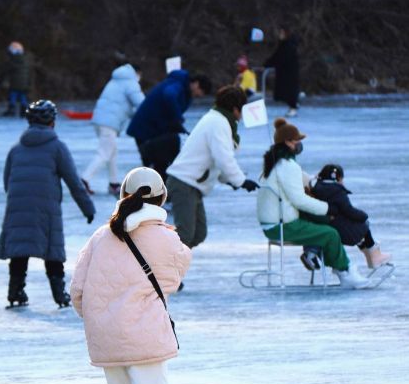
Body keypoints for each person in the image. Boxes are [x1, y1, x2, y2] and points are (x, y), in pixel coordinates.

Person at [66, 167, 191, 384]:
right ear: (161, 197)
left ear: (124, 195)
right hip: (144, 334)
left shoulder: (101, 236)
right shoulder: (166, 238)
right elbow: (174, 279)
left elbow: (77, 290)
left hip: (105, 334)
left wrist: (102, 318)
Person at [0, 99, 96, 308]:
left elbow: (7, 182)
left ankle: (15, 291)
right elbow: (73, 182)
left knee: (19, 250)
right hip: (46, 209)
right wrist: (88, 208)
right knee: (52, 250)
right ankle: (60, 295)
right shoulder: (57, 148)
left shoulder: (16, 149)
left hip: (18, 208)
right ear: (52, 122)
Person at [256, 119, 369, 289]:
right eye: (297, 140)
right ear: (288, 142)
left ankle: (316, 254)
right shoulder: (287, 166)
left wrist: (321, 183)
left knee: (320, 226)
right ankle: (345, 272)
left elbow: (307, 180)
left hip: (273, 223)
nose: (300, 144)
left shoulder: (275, 164)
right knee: (330, 234)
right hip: (283, 226)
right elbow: (299, 200)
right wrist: (328, 208)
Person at [166, 86, 259, 250]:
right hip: (184, 182)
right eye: (242, 108)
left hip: (193, 184)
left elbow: (216, 162)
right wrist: (240, 181)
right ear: (235, 108)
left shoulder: (219, 120)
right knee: (185, 235)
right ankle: (158, 267)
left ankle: (172, 266)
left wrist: (230, 180)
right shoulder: (218, 123)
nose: (244, 114)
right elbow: (223, 158)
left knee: (198, 234)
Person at [126, 70, 211, 182]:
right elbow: (169, 95)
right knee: (155, 163)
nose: (199, 95)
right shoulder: (178, 84)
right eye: (200, 91)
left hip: (156, 129)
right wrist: (177, 118)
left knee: (161, 163)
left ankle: (160, 192)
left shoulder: (184, 90)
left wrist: (177, 125)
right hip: (145, 129)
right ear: (196, 84)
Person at [310, 163, 392, 269]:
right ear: (338, 178)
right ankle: (374, 257)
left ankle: (372, 257)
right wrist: (364, 215)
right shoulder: (336, 191)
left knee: (362, 233)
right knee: (364, 225)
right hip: (338, 229)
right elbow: (349, 210)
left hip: (330, 223)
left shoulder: (318, 187)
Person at [82, 61, 145, 196]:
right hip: (109, 122)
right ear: (137, 73)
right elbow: (142, 104)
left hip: (101, 120)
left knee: (112, 151)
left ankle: (113, 183)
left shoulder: (116, 80)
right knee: (105, 152)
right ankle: (84, 180)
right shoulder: (131, 83)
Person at [264, 25, 300, 117]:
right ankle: (293, 105)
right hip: (285, 72)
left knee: (290, 91)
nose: (280, 34)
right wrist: (268, 63)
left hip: (290, 73)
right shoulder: (284, 44)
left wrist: (269, 63)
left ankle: (293, 107)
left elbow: (281, 58)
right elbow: (277, 56)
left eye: (282, 33)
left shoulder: (289, 45)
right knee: (285, 91)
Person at [0, 41, 31, 118]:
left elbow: (5, 71)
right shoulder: (26, 60)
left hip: (14, 83)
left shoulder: (12, 61)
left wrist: (1, 80)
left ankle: (11, 109)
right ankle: (23, 110)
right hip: (24, 84)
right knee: (23, 96)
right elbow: (29, 73)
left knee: (13, 94)